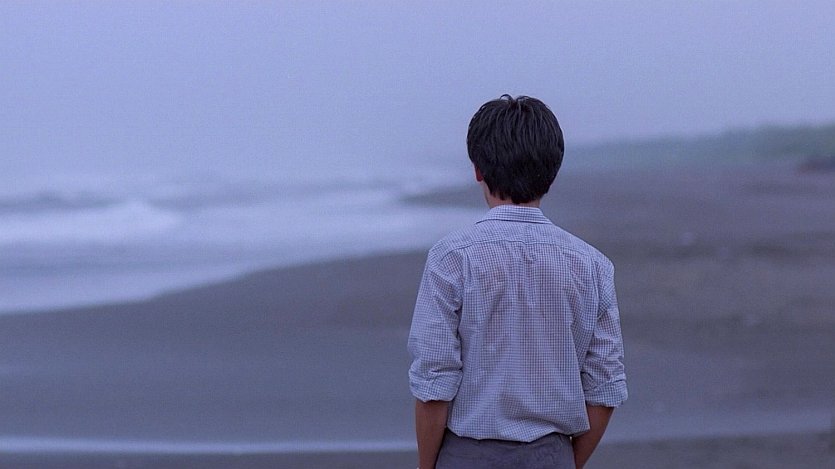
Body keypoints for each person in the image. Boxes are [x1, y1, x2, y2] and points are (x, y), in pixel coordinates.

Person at [407, 95, 627, 469]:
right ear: (552, 173)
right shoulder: (592, 265)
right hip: (552, 453)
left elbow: (434, 385)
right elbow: (605, 388)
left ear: (478, 170)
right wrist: (565, 461)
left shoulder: (452, 257)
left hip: (468, 454)